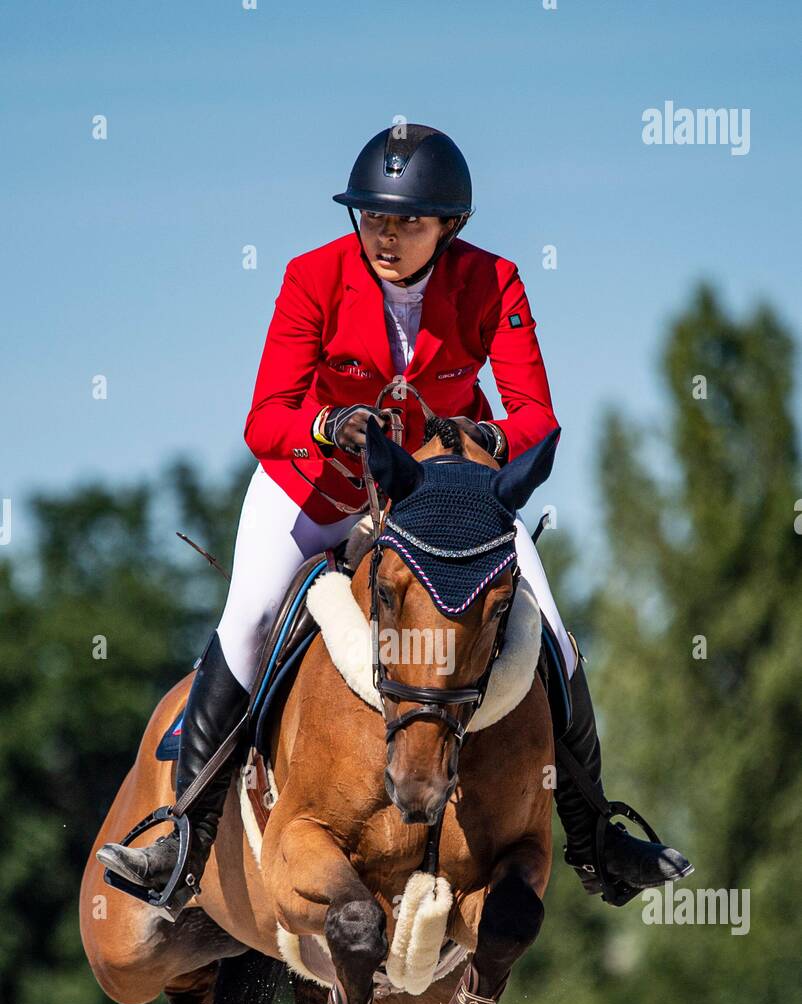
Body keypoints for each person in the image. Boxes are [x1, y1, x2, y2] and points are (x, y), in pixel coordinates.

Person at [98, 123, 691, 911]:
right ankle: (184, 836)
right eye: (373, 216)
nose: (387, 234)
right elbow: (265, 416)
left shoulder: (496, 282)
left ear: (450, 227)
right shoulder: (313, 277)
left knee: (551, 634)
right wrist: (327, 424)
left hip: (441, 501)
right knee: (247, 622)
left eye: (409, 221)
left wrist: (476, 441)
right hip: (319, 490)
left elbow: (536, 421)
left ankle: (595, 837)